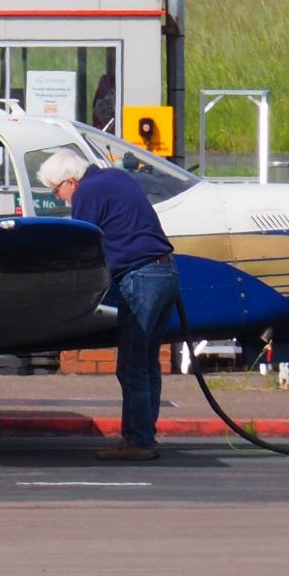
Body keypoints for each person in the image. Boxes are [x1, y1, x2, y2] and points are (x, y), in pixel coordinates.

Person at [39, 148, 179, 461]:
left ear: (71, 181)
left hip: (141, 277)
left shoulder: (87, 192)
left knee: (131, 366)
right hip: (166, 272)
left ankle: (138, 441)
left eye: (56, 190)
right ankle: (144, 436)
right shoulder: (115, 177)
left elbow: (81, 247)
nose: (59, 198)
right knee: (146, 362)